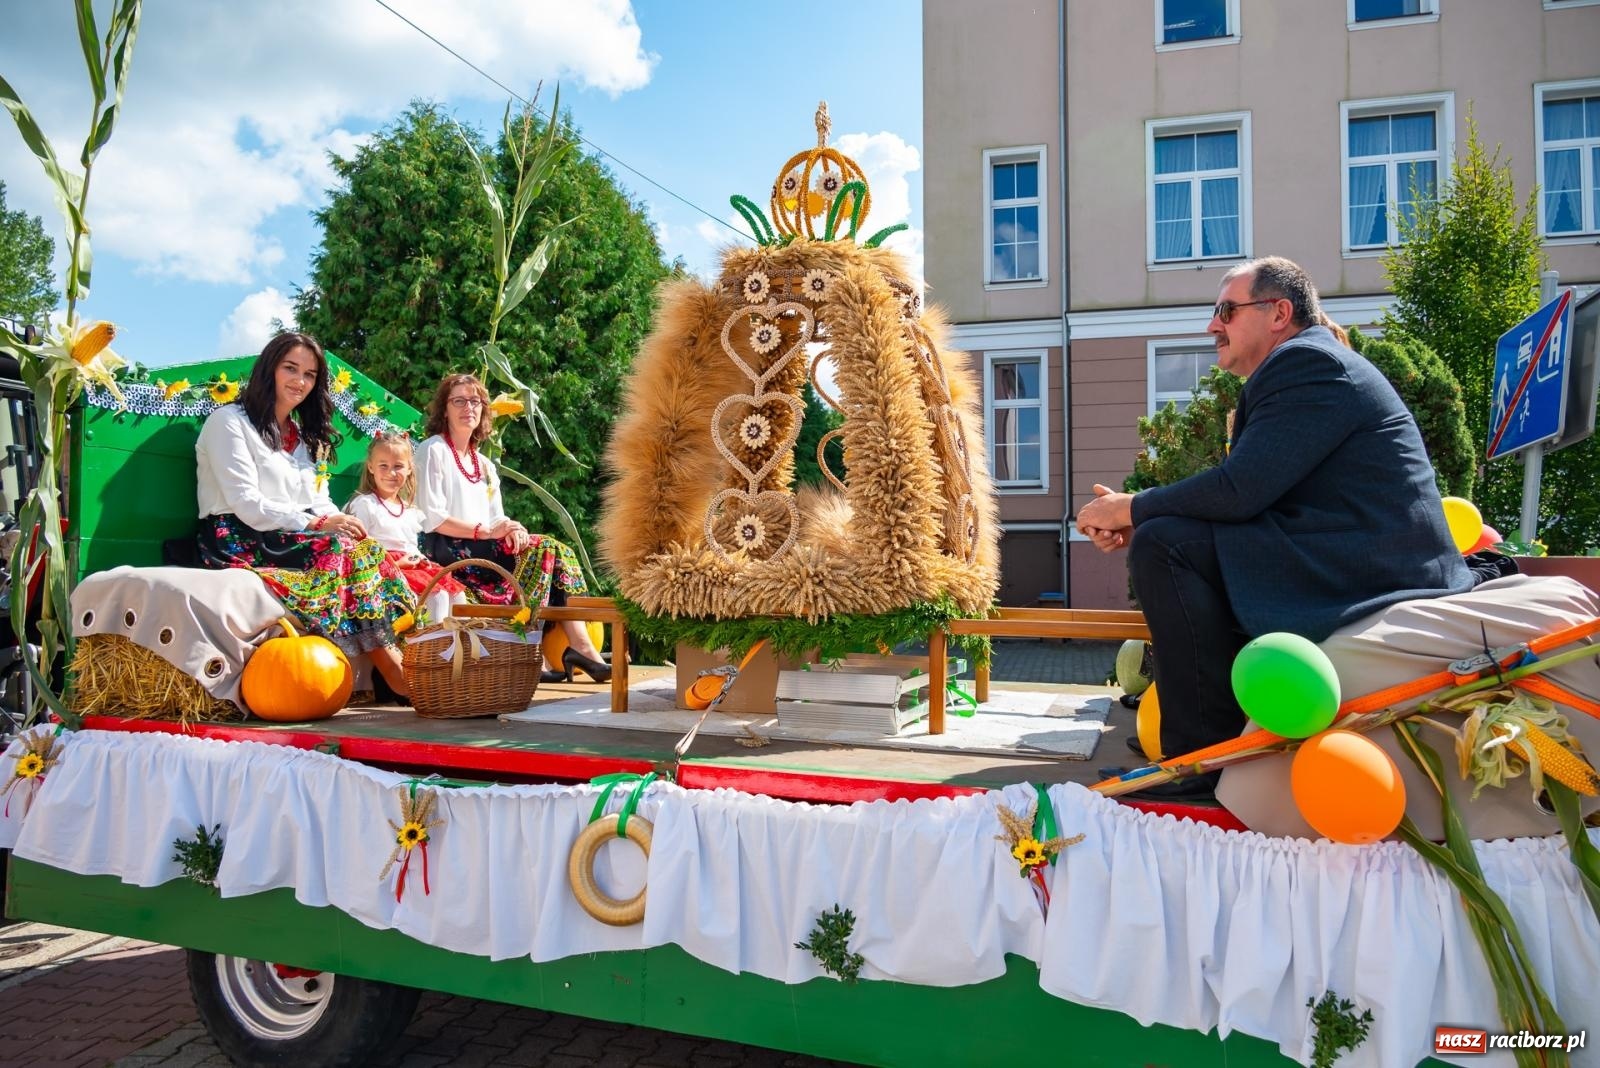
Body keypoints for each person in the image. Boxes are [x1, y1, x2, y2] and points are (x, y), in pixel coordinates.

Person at [1076, 256, 1472, 792]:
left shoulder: (1307, 363)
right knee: (1168, 538)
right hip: (1347, 552)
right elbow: (1254, 492)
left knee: (1169, 546)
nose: (1212, 325)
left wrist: (1131, 508)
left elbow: (1240, 490)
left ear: (1279, 312)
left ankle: (1198, 763)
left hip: (1373, 567)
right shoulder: (1307, 364)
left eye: (1226, 310)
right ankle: (1213, 746)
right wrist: (1142, 515)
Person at [195, 332, 414, 698]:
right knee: (337, 552)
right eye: (291, 369)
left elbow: (319, 500)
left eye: (310, 375)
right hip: (237, 536)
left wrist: (342, 524)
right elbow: (246, 502)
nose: (300, 381)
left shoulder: (302, 436)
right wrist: (317, 524)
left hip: (289, 534)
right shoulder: (229, 422)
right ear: (270, 370)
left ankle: (405, 658)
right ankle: (393, 672)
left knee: (367, 550)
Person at [414, 372, 611, 684]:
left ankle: (576, 646)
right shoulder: (433, 449)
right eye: (459, 401)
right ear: (444, 409)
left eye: (475, 401)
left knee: (557, 551)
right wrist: (487, 532)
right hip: (446, 549)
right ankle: (559, 649)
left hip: (484, 545)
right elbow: (432, 518)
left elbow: (497, 519)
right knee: (547, 547)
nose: (469, 407)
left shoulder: (486, 465)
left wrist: (512, 529)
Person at [346, 431, 467, 628]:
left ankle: (459, 648)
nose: (391, 473)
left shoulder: (410, 510)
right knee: (438, 596)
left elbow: (409, 545)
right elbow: (359, 550)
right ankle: (430, 651)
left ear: (410, 468)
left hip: (410, 564)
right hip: (383, 567)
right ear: (371, 467)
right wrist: (394, 563)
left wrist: (420, 557)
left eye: (398, 466)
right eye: (383, 466)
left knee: (457, 594)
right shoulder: (365, 504)